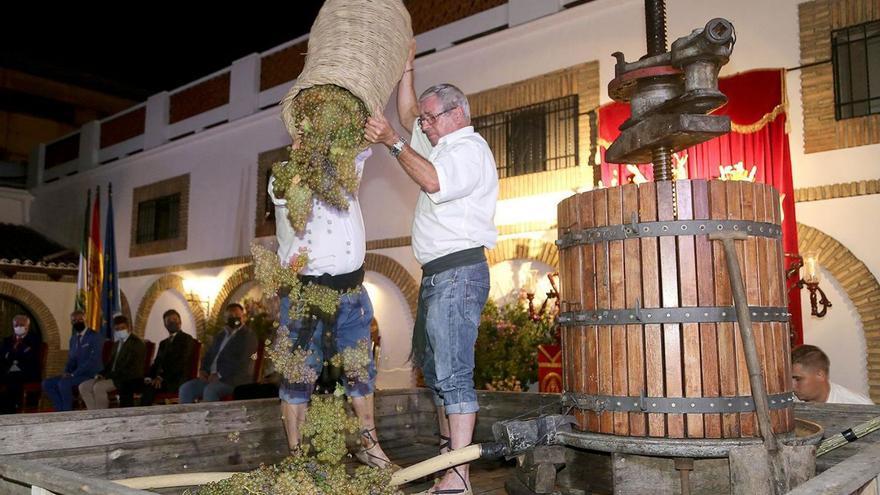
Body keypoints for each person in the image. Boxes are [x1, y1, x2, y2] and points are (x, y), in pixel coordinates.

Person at [365, 73, 498, 494]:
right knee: (438, 374)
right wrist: (406, 69)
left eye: (430, 118)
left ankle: (459, 477)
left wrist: (391, 141)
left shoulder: (468, 149)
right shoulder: (442, 146)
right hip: (440, 275)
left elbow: (433, 181)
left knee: (454, 374)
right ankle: (450, 466)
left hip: (458, 271)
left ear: (457, 113)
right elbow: (406, 114)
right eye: (424, 120)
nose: (422, 125)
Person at [269, 138, 394, 469]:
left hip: (351, 293)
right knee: (298, 376)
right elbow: (289, 195)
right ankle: (296, 456)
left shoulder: (344, 166)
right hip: (305, 295)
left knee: (360, 371)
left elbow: (363, 140)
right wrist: (303, 157)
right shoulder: (283, 172)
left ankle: (370, 446)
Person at [179, 303, 257, 403]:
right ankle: (188, 418)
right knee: (186, 389)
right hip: (210, 378)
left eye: (237, 316)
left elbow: (241, 362)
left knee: (210, 390)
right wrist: (203, 370)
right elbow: (209, 354)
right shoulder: (221, 335)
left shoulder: (248, 336)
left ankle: (212, 419)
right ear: (226, 318)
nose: (234, 319)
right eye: (230, 317)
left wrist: (219, 375)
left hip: (233, 380)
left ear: (243, 317)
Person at [78, 315, 145, 409]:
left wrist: (108, 376)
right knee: (83, 386)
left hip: (127, 378)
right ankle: (93, 414)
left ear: (129, 327)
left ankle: (103, 415)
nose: (120, 331)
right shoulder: (117, 344)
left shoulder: (136, 343)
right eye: (117, 329)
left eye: (122, 328)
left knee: (98, 387)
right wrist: (101, 374)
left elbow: (130, 367)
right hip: (111, 376)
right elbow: (110, 364)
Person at [42, 310, 104, 411]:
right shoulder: (73, 339)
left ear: (85, 319)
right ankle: (60, 410)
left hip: (90, 374)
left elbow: (93, 360)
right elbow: (71, 359)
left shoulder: (95, 336)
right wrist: (66, 372)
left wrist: (73, 374)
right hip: (75, 374)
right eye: (74, 321)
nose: (77, 322)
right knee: (47, 383)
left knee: (63, 383)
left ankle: (67, 412)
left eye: (80, 319)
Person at [140, 309, 196, 406]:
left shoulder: (187, 339)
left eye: (175, 319)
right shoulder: (163, 343)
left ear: (180, 322)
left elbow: (181, 363)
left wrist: (161, 378)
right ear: (165, 325)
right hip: (161, 379)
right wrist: (148, 376)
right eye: (168, 320)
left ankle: (143, 417)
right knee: (137, 384)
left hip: (177, 380)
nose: (172, 322)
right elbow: (157, 363)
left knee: (149, 390)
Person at [791, 344, 873, 405]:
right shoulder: (788, 403)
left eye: (798, 379)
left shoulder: (859, 406)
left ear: (820, 375)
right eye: (790, 379)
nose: (792, 386)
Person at [0, 314, 42, 413]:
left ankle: (11, 409)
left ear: (27, 326)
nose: (19, 327)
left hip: (27, 371)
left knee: (13, 378)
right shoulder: (7, 340)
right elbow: (3, 356)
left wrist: (15, 351)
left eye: (22, 324)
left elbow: (30, 357)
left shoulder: (34, 340)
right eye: (16, 324)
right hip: (9, 369)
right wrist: (14, 355)